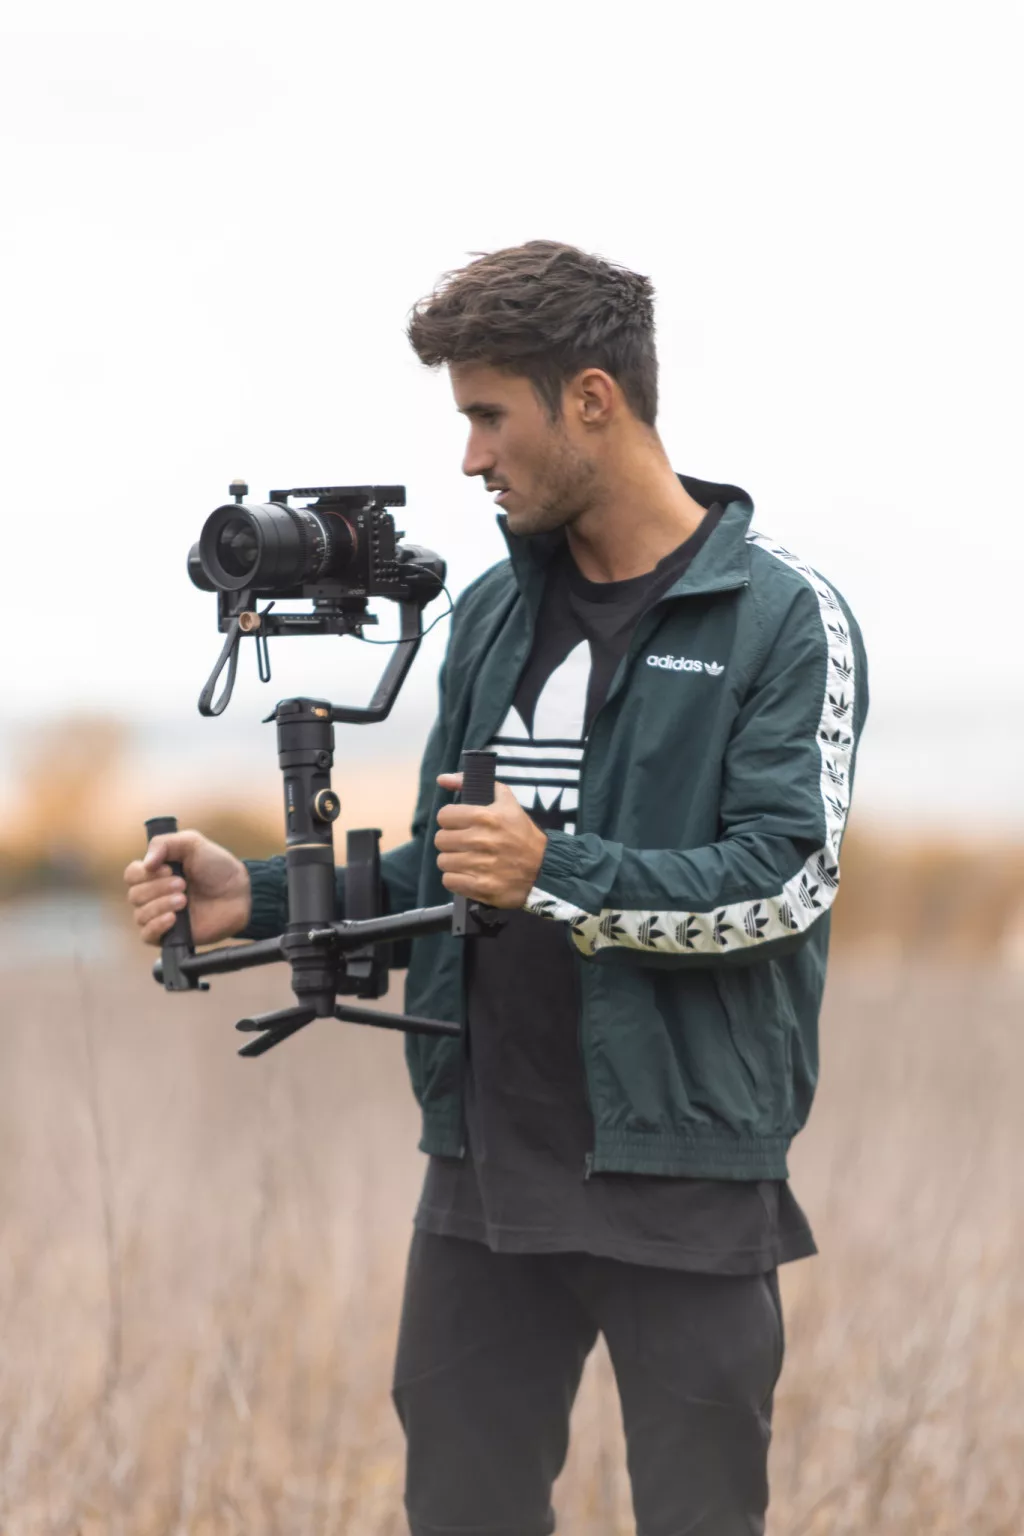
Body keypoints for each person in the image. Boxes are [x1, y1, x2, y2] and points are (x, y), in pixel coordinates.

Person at [125, 241, 868, 1536]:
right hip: (482, 1177)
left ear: (592, 399)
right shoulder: (488, 614)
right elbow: (453, 867)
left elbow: (786, 883)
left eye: (488, 416)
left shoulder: (780, 615)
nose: (470, 457)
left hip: (684, 1168)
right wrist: (263, 897)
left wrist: (556, 872)